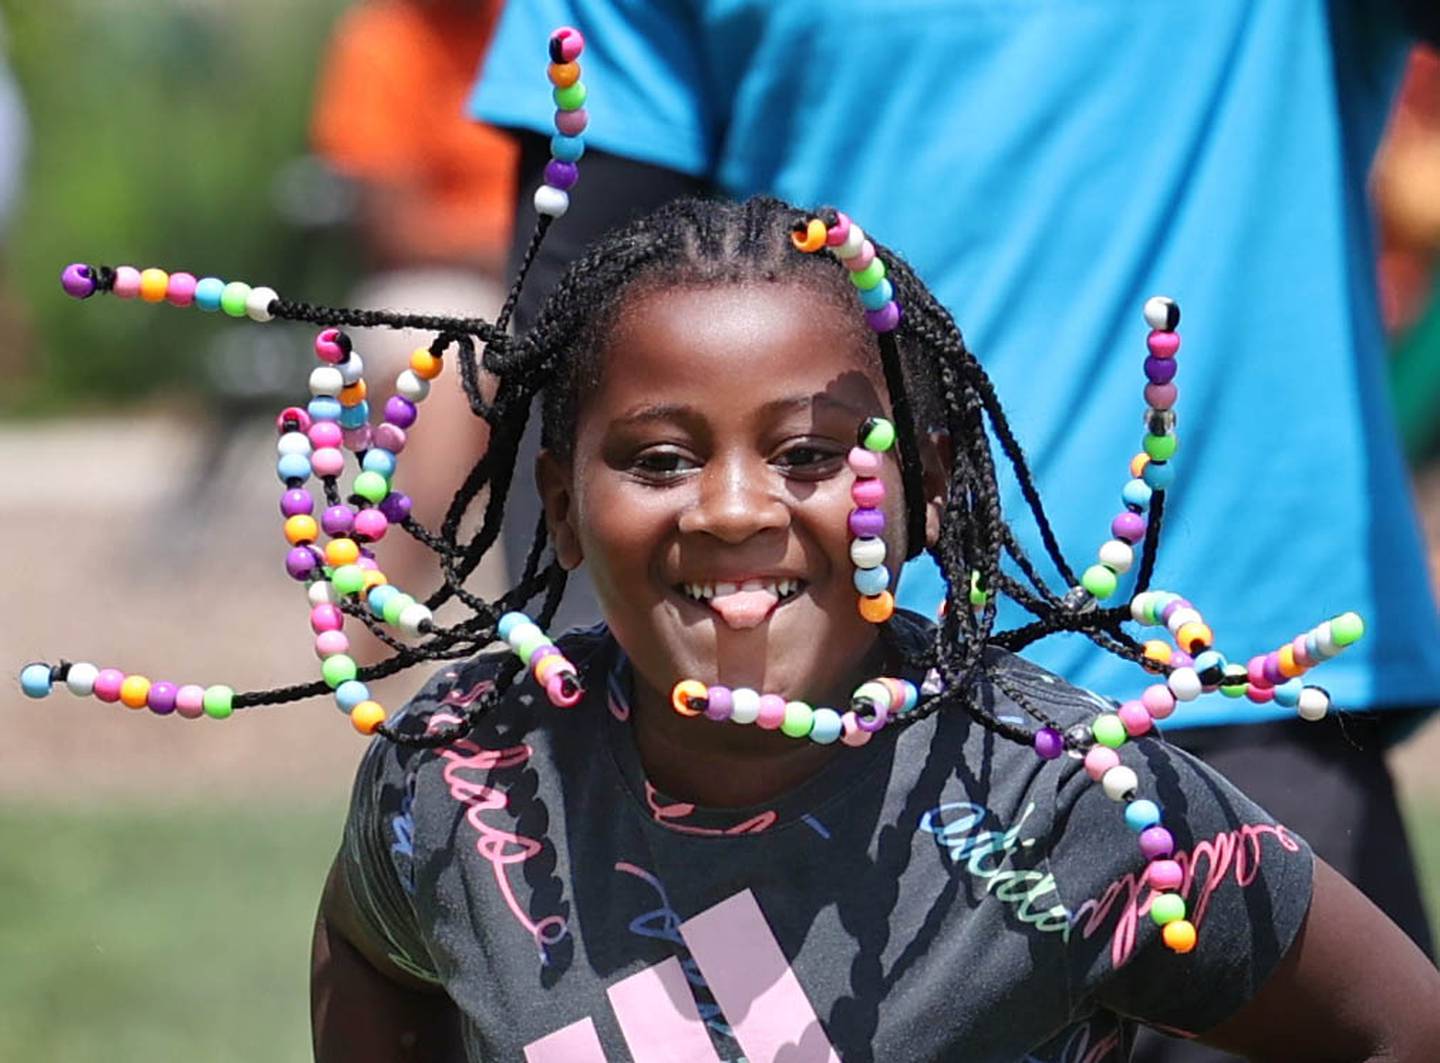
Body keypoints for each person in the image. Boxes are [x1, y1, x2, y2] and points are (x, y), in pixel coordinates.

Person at [469, 14, 1440, 1055]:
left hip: (1226, 700)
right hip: (814, 765)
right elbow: (572, 326)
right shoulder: (443, 787)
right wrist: (599, 725)